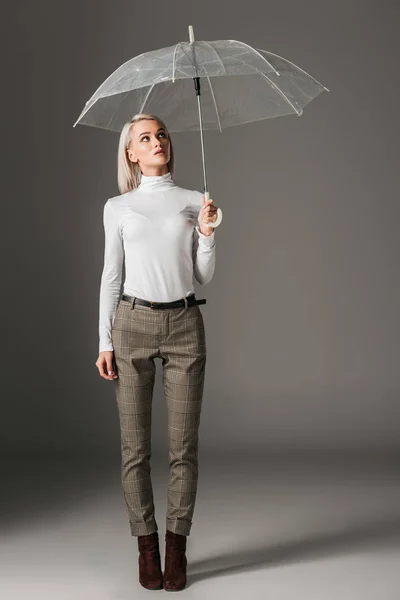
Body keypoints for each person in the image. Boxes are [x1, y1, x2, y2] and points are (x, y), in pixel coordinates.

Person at [95, 113, 219, 591]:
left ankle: (177, 548)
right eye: (144, 138)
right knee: (135, 449)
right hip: (132, 325)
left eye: (161, 134)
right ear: (131, 153)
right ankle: (147, 548)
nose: (156, 142)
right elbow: (111, 274)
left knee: (184, 449)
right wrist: (104, 339)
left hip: (186, 324)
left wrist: (206, 232)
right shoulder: (117, 207)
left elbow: (203, 275)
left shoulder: (194, 201)